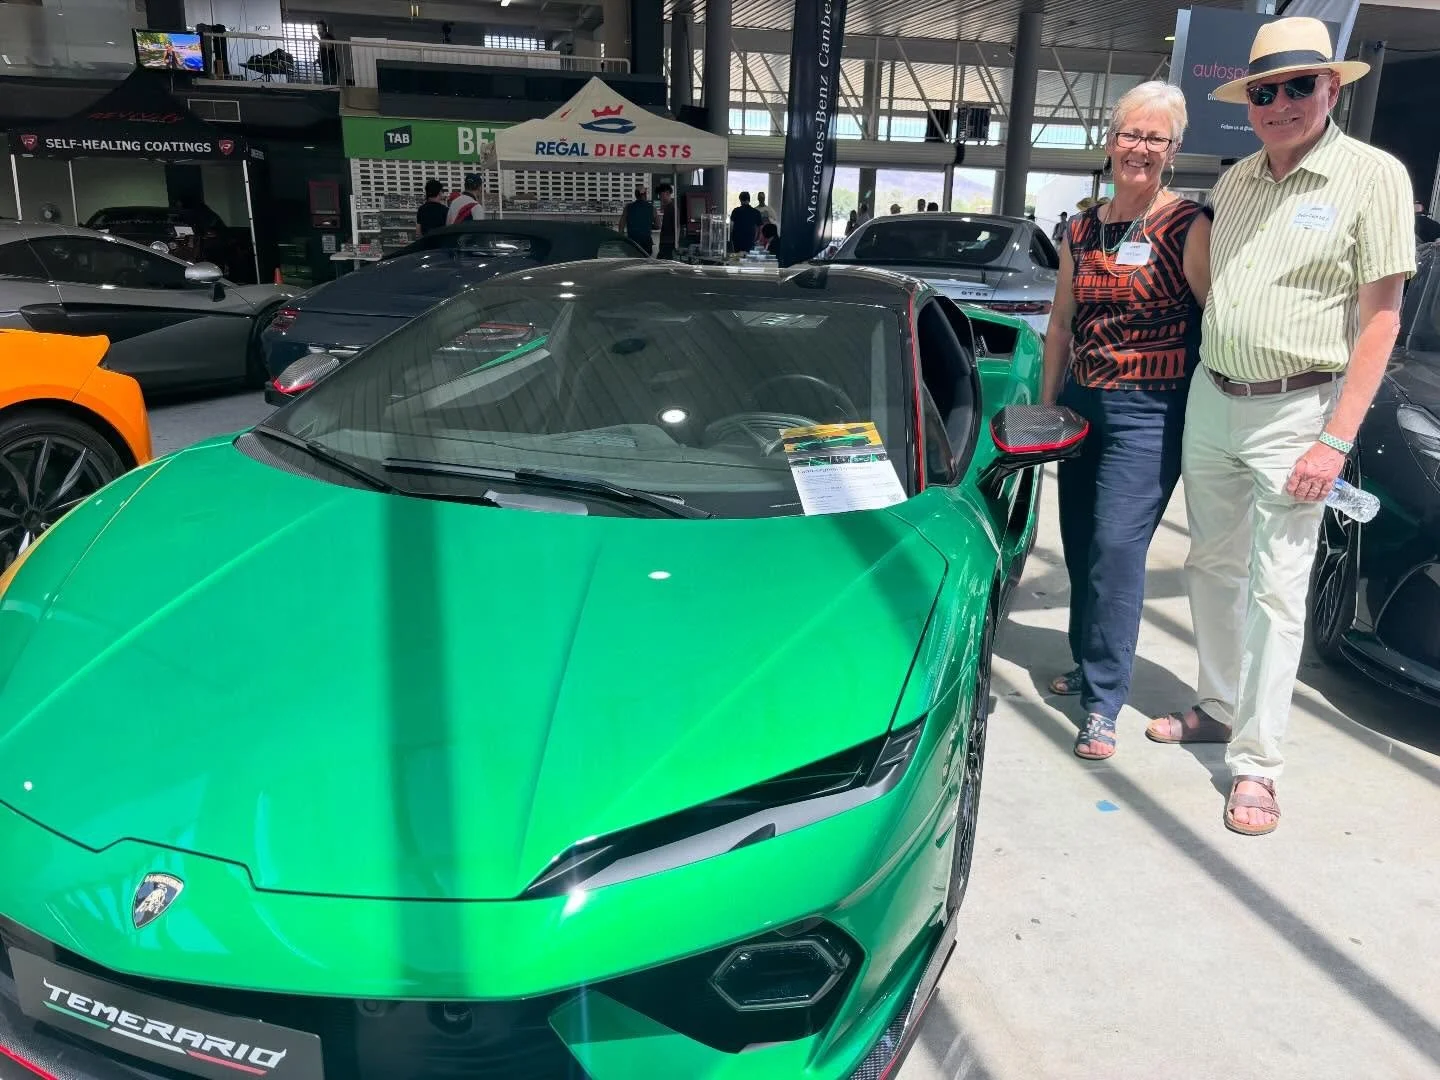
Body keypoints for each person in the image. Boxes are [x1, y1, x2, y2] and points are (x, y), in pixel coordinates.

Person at [1147, 17, 1414, 835]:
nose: (1282, 102)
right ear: (1249, 102)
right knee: (1212, 563)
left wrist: (1334, 438)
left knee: (1278, 584)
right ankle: (1220, 703)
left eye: (1301, 85)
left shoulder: (1373, 176)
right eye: (1266, 90)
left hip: (1300, 408)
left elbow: (1381, 320)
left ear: (1332, 88)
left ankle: (1257, 763)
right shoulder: (1238, 184)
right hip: (1215, 397)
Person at [1039, 81, 1213, 762]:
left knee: (1117, 548)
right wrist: (1050, 405)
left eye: (1155, 137)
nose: (1139, 148)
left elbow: (1215, 321)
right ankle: (1087, 662)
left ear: (1172, 150)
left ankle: (1103, 700)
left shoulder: (1186, 225)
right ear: (1110, 141)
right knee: (1082, 541)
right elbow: (1061, 322)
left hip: (1151, 412)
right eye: (1130, 134)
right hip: (1082, 404)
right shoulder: (1081, 228)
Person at [621, 186, 656, 254]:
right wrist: (648, 224)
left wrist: (622, 239)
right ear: (644, 195)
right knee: (646, 262)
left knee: (633, 262)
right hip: (646, 242)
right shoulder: (652, 208)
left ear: (636, 195)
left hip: (632, 242)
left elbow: (621, 225)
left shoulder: (628, 207)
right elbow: (658, 225)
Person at [656, 183, 678, 259]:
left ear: (668, 193)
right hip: (665, 242)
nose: (660, 197)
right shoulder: (668, 207)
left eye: (661, 195)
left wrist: (675, 244)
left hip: (668, 243)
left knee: (661, 265)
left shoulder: (672, 208)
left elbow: (676, 227)